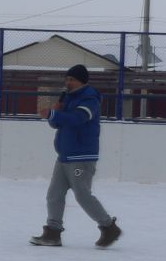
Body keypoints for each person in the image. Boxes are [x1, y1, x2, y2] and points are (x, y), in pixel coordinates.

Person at [31, 64, 120, 248]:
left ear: (82, 80)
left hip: (81, 156)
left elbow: (79, 119)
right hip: (64, 155)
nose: (68, 82)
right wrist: (54, 115)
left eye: (71, 79)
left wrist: (55, 113)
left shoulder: (90, 98)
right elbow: (58, 125)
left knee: (82, 195)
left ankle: (109, 227)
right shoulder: (69, 99)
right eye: (67, 79)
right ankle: (53, 232)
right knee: (54, 194)